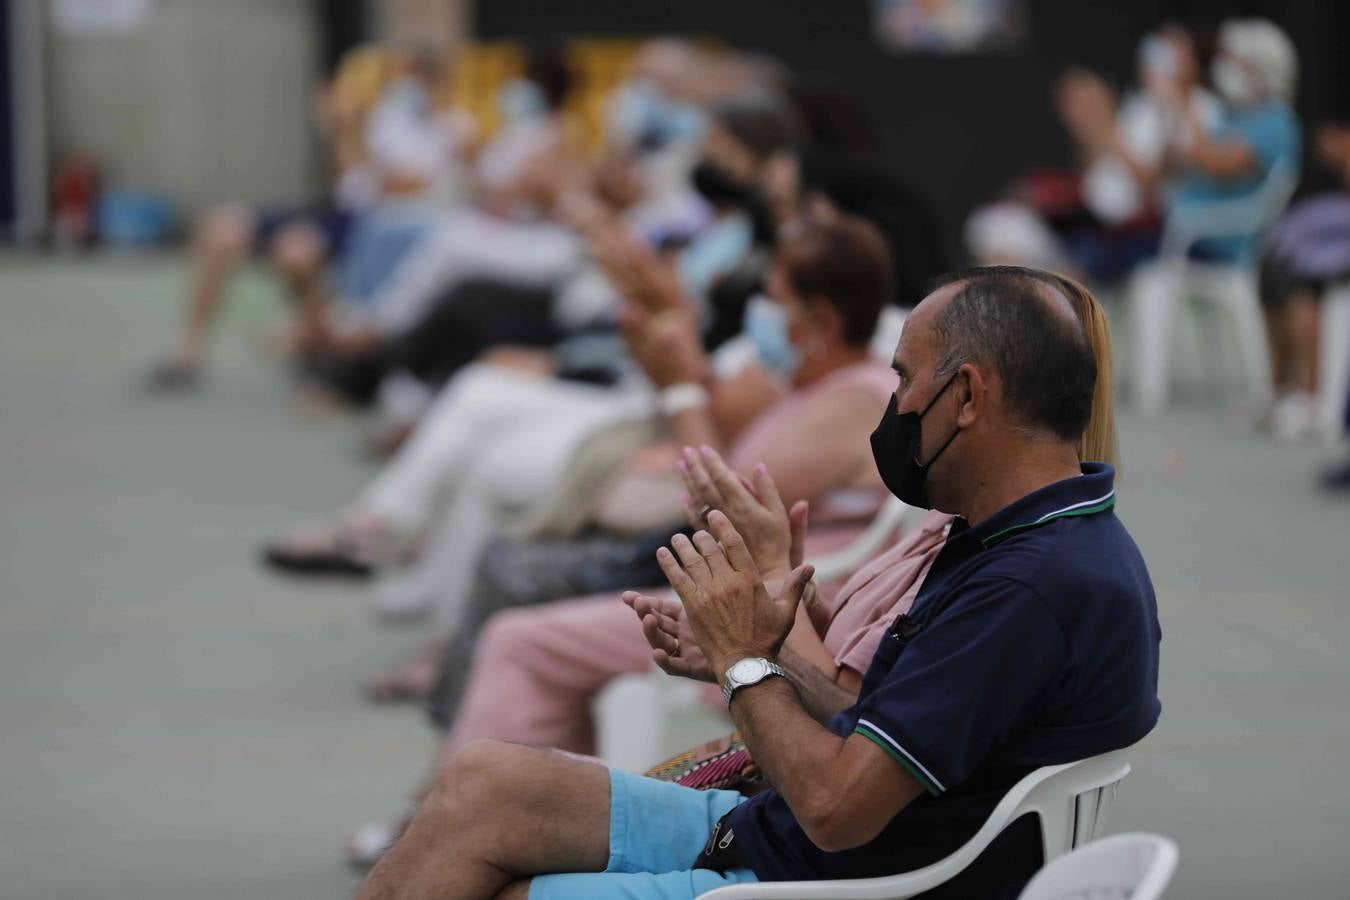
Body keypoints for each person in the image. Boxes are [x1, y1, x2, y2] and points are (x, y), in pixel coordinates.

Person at [354, 265, 1161, 899]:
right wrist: (758, 655)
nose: (895, 405)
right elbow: (877, 725)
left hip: (826, 882)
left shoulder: (1028, 588)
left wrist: (745, 662)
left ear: (970, 395)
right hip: (782, 837)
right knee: (483, 781)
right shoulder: (1027, 539)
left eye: (905, 379)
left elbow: (838, 811)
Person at [1260, 121, 1350, 438]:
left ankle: (1313, 397)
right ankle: (1283, 389)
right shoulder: (1319, 189)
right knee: (1276, 280)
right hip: (1322, 254)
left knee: (1305, 294)